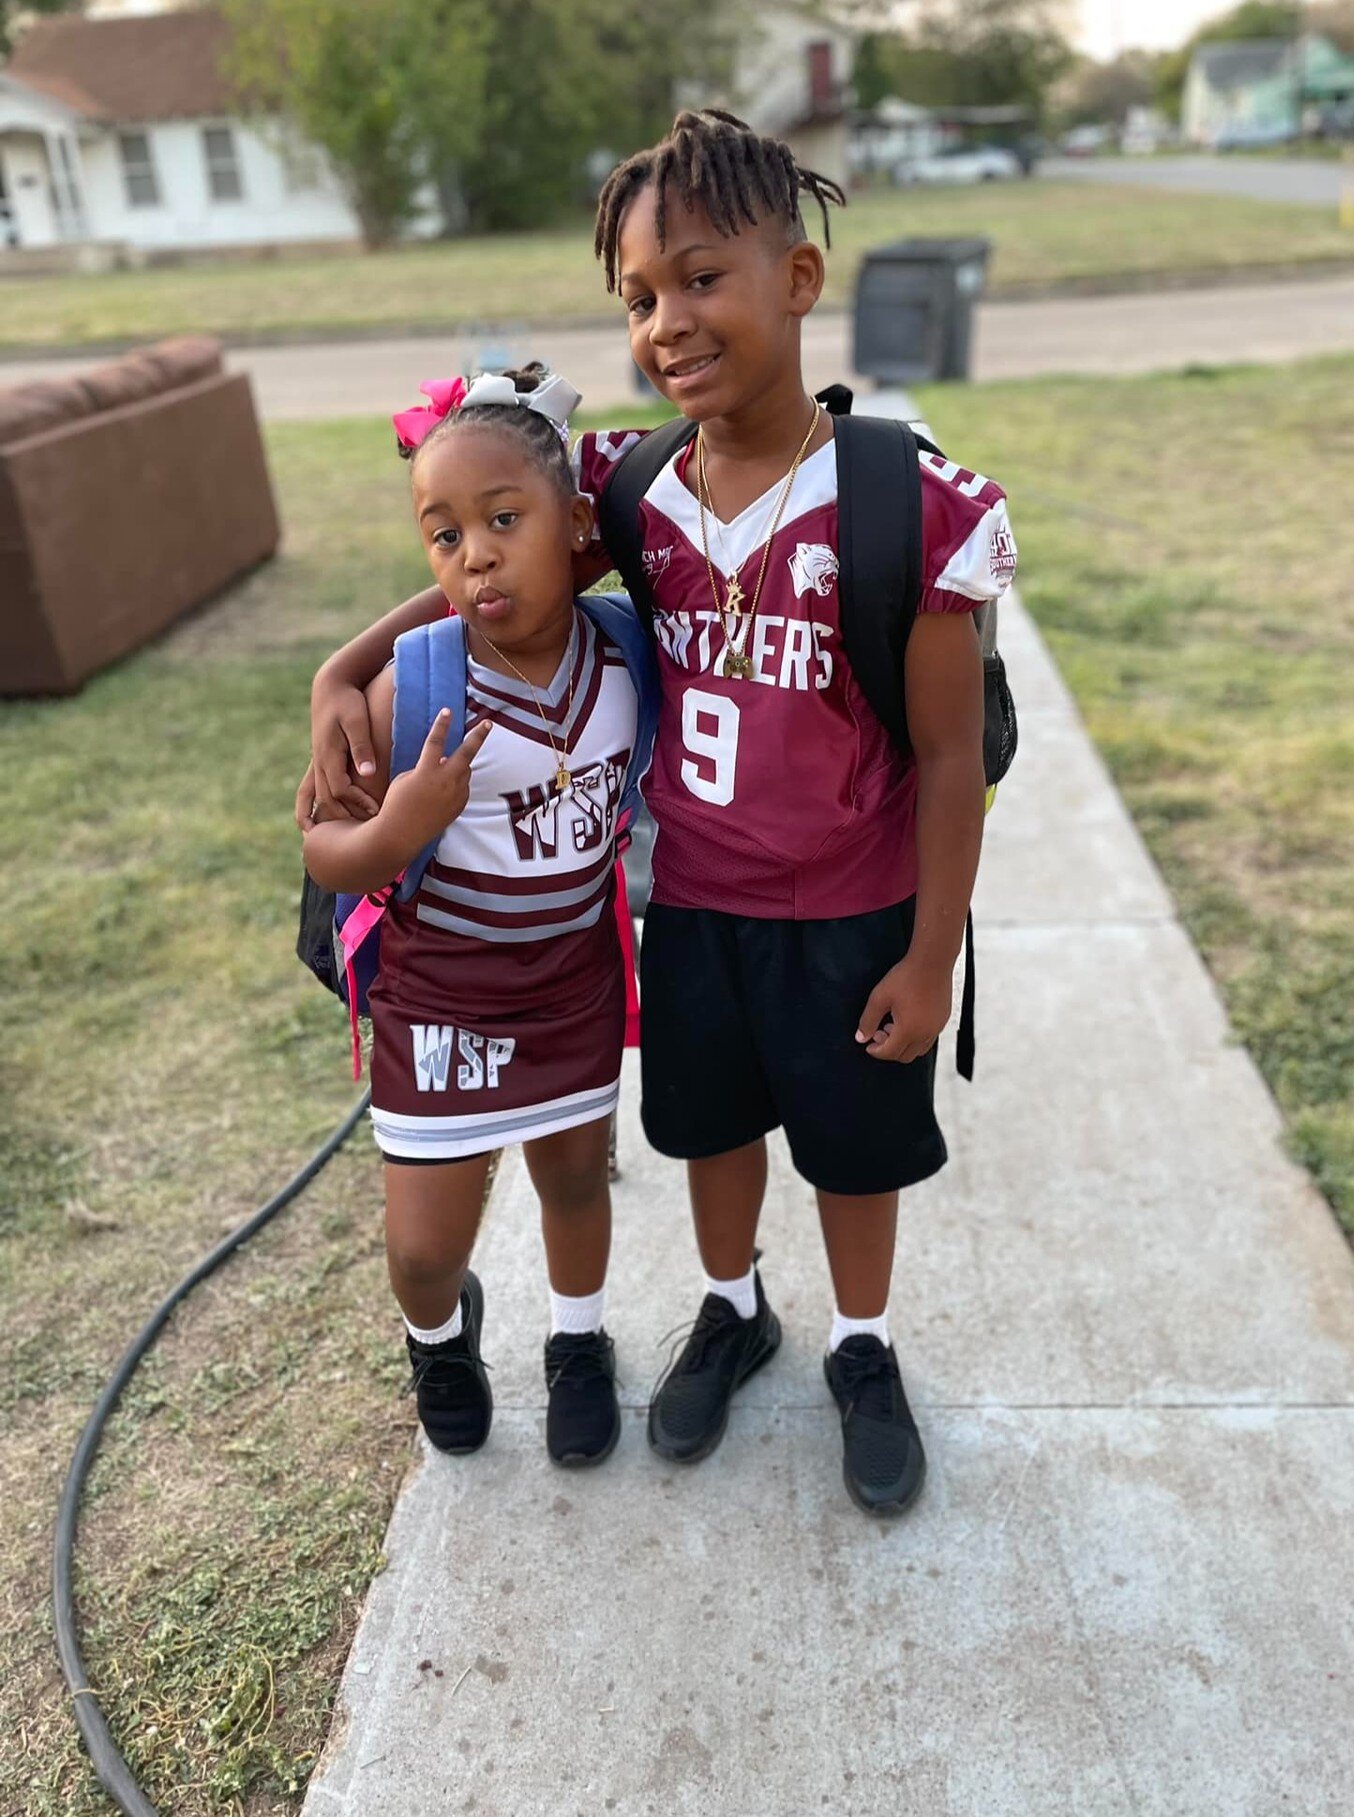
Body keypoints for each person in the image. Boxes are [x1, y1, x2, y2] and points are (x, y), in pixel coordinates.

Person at [298, 112, 1017, 1517]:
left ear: (797, 280)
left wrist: (932, 955)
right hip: (695, 904)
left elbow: (948, 759)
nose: (668, 321)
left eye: (701, 278)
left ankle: (862, 1348)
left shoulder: (907, 503)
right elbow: (503, 548)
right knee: (712, 1129)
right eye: (637, 298)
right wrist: (349, 663)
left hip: (855, 909)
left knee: (854, 1147)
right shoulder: (632, 486)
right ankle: (730, 1306)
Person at [302, 366, 648, 1469]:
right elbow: (324, 842)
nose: (477, 555)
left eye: (504, 520)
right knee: (420, 1249)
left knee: (574, 1183)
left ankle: (580, 1340)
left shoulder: (631, 655)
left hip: (572, 979)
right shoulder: (420, 687)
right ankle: (440, 1340)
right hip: (443, 991)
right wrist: (397, 828)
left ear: (576, 527)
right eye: (443, 535)